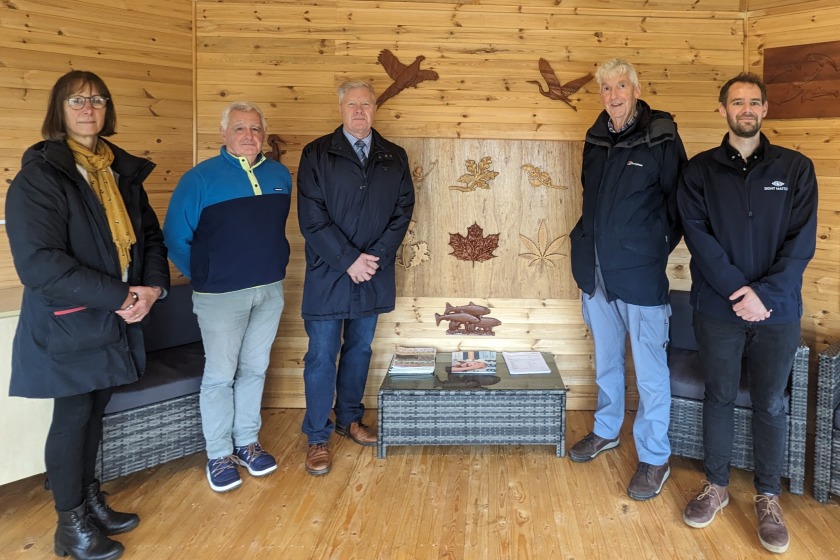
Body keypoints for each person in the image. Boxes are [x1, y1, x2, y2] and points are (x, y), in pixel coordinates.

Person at [5, 70, 169, 560]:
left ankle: (90, 501)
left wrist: (154, 289)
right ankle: (69, 524)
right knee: (73, 417)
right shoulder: (40, 177)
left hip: (114, 318)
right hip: (69, 320)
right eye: (77, 99)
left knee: (95, 414)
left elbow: (151, 240)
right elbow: (41, 266)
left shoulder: (119, 173)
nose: (88, 107)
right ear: (60, 109)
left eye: (97, 99)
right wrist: (121, 295)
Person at [678, 72, 817, 554]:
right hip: (717, 308)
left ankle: (767, 497)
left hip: (777, 312)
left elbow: (800, 246)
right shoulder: (698, 172)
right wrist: (740, 290)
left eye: (754, 102)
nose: (747, 109)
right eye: (737, 102)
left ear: (764, 110)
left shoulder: (796, 168)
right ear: (722, 110)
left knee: (771, 403)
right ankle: (716, 486)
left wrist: (765, 295)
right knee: (717, 397)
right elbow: (698, 237)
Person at [568, 58, 686, 501]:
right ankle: (606, 430)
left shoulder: (661, 135)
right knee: (608, 362)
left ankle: (655, 457)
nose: (613, 95)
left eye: (621, 86)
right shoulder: (596, 138)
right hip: (596, 274)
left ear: (636, 89)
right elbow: (590, 198)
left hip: (640, 276)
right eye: (606, 88)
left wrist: (651, 248)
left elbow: (679, 204)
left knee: (652, 373)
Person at [163, 101, 292, 492]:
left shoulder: (280, 175)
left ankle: (248, 444)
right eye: (240, 129)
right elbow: (174, 237)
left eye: (255, 129)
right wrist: (204, 275)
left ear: (264, 135)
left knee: (254, 370)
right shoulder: (199, 180)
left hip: (268, 291)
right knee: (220, 376)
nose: (249, 136)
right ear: (223, 134)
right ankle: (219, 455)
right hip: (220, 296)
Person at [297, 80, 415, 476]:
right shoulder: (316, 154)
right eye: (352, 105)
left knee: (360, 350)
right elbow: (311, 219)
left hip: (373, 274)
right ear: (341, 109)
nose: (359, 111)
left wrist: (374, 258)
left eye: (366, 104)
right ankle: (317, 436)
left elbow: (402, 212)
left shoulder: (393, 156)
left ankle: (350, 419)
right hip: (329, 272)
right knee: (321, 355)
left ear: (375, 108)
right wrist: (349, 259)